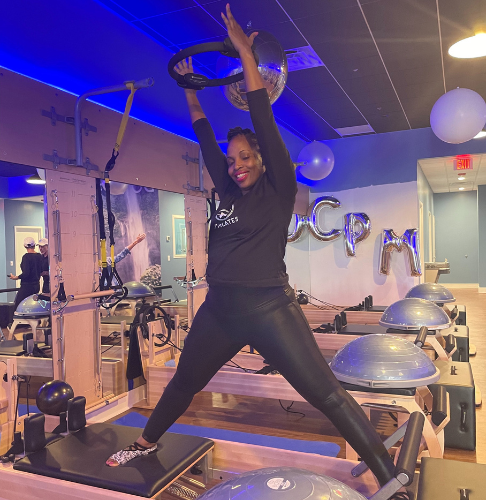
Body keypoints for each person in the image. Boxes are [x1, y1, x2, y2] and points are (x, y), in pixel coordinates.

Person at [106, 4, 396, 488]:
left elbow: (262, 115)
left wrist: (245, 53)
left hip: (269, 308)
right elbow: (203, 135)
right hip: (219, 310)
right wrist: (189, 89)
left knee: (325, 394)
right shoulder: (226, 190)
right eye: (232, 159)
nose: (236, 164)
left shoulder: (279, 188)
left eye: (245, 157)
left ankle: (390, 476)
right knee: (183, 382)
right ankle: (146, 440)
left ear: (262, 160)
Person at [9, 237, 43, 310]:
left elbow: (26, 273)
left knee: (17, 306)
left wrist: (16, 277)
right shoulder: (39, 256)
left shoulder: (26, 257)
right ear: (34, 245)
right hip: (36, 285)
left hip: (27, 286)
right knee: (32, 306)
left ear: (25, 246)